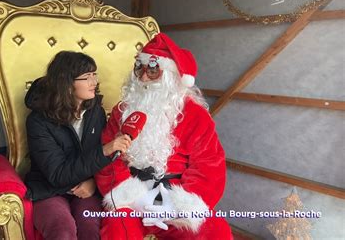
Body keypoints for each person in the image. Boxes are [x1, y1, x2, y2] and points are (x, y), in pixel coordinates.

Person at [95, 33, 232, 239]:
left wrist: (175, 205)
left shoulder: (194, 114)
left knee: (215, 232)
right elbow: (108, 158)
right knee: (117, 230)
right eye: (139, 68)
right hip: (132, 196)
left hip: (175, 197)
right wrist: (136, 198)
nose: (142, 77)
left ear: (171, 76)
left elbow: (209, 164)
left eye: (152, 70)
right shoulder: (122, 111)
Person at [24, 51, 131, 240]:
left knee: (90, 226)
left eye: (94, 74)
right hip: (49, 190)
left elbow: (106, 164)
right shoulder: (38, 121)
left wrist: (93, 183)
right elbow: (58, 175)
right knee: (62, 230)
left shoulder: (94, 111)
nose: (94, 82)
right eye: (86, 77)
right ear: (66, 83)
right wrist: (105, 150)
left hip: (86, 188)